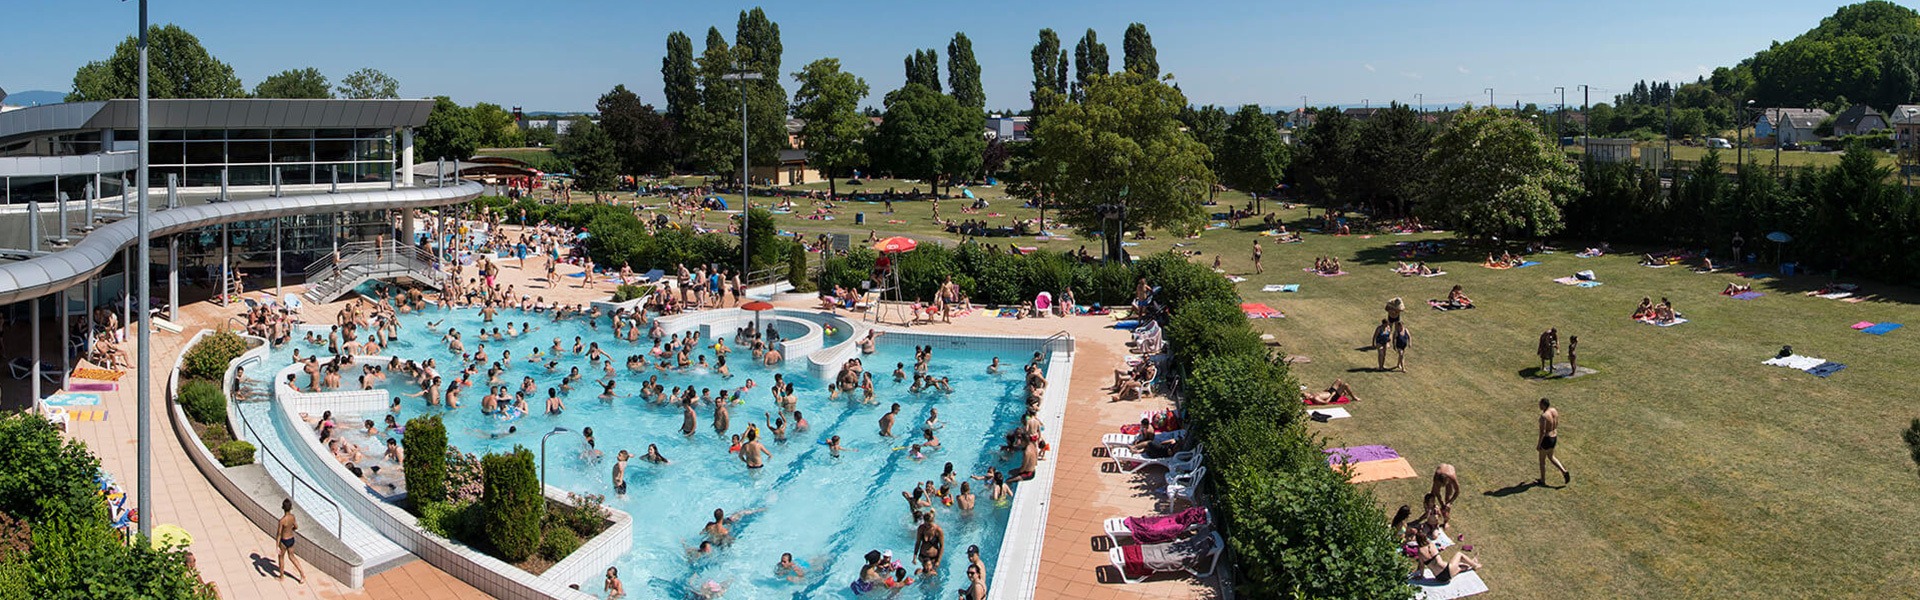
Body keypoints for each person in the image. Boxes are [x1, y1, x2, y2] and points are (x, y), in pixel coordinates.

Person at [1414, 527, 1481, 583]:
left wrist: (1421, 576)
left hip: (1440, 578)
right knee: (1459, 554)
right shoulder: (1431, 544)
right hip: (1448, 569)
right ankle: (1475, 565)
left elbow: (1421, 566)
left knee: (1461, 566)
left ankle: (1469, 564)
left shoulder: (1420, 551)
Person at [1538, 397, 1570, 486]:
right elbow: (1557, 422)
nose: (1539, 405)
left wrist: (1539, 444)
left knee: (1542, 461)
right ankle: (1564, 471)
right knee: (1551, 456)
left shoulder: (1544, 416)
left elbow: (1543, 432)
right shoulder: (1554, 411)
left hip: (1546, 439)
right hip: (1554, 436)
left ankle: (1542, 480)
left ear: (1544, 405)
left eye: (1540, 404)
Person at [275, 498, 306, 582]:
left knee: (281, 558)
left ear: (283, 508)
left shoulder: (282, 521)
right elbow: (296, 527)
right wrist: (291, 530)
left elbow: (279, 534)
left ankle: (281, 576)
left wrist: (277, 545)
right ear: (291, 508)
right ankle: (302, 574)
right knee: (292, 557)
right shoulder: (293, 517)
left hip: (284, 541)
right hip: (291, 539)